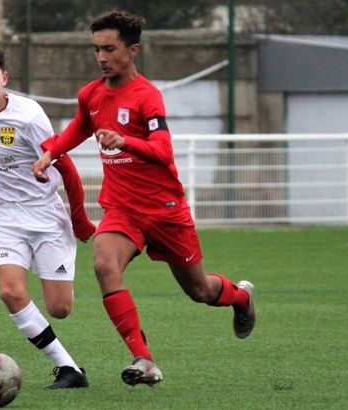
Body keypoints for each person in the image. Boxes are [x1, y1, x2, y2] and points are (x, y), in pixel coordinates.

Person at [32, 10, 256, 387]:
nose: (101, 57)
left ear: (132, 50)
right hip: (122, 209)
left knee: (199, 290)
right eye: (96, 50)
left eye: (109, 49)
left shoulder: (147, 97)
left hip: (166, 211)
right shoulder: (91, 94)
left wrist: (127, 142)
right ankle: (144, 359)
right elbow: (78, 128)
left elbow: (164, 151)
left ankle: (240, 298)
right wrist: (50, 152)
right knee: (104, 264)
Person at [0, 43, 95, 390]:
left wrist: (80, 221)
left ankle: (70, 367)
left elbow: (66, 167)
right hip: (6, 219)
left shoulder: (29, 115)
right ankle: (69, 369)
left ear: (4, 78)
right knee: (10, 291)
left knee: (60, 308)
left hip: (46, 216)